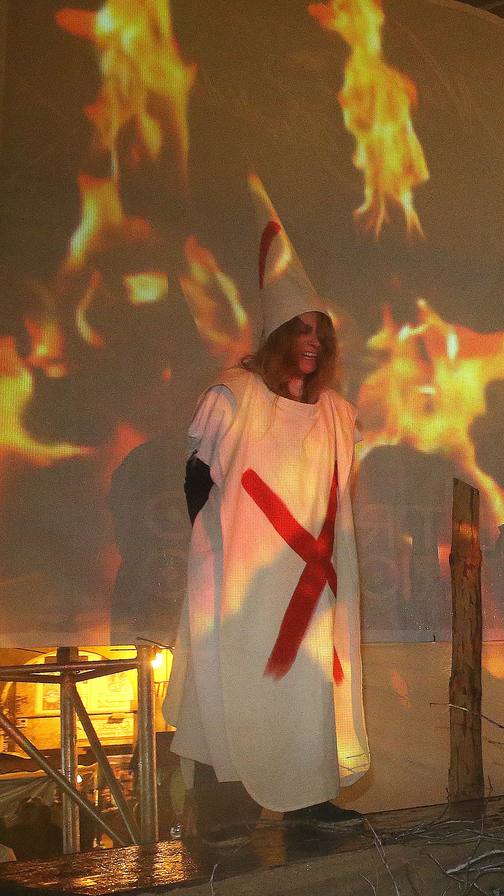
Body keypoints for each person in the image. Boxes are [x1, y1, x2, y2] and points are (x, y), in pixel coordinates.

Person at [163, 176, 369, 847]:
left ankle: (309, 799)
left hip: (309, 589)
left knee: (305, 688)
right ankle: (224, 818)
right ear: (278, 333)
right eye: (299, 328)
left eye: (320, 330)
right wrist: (230, 559)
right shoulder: (233, 395)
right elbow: (200, 484)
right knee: (231, 685)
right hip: (239, 584)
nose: (311, 340)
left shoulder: (336, 415)